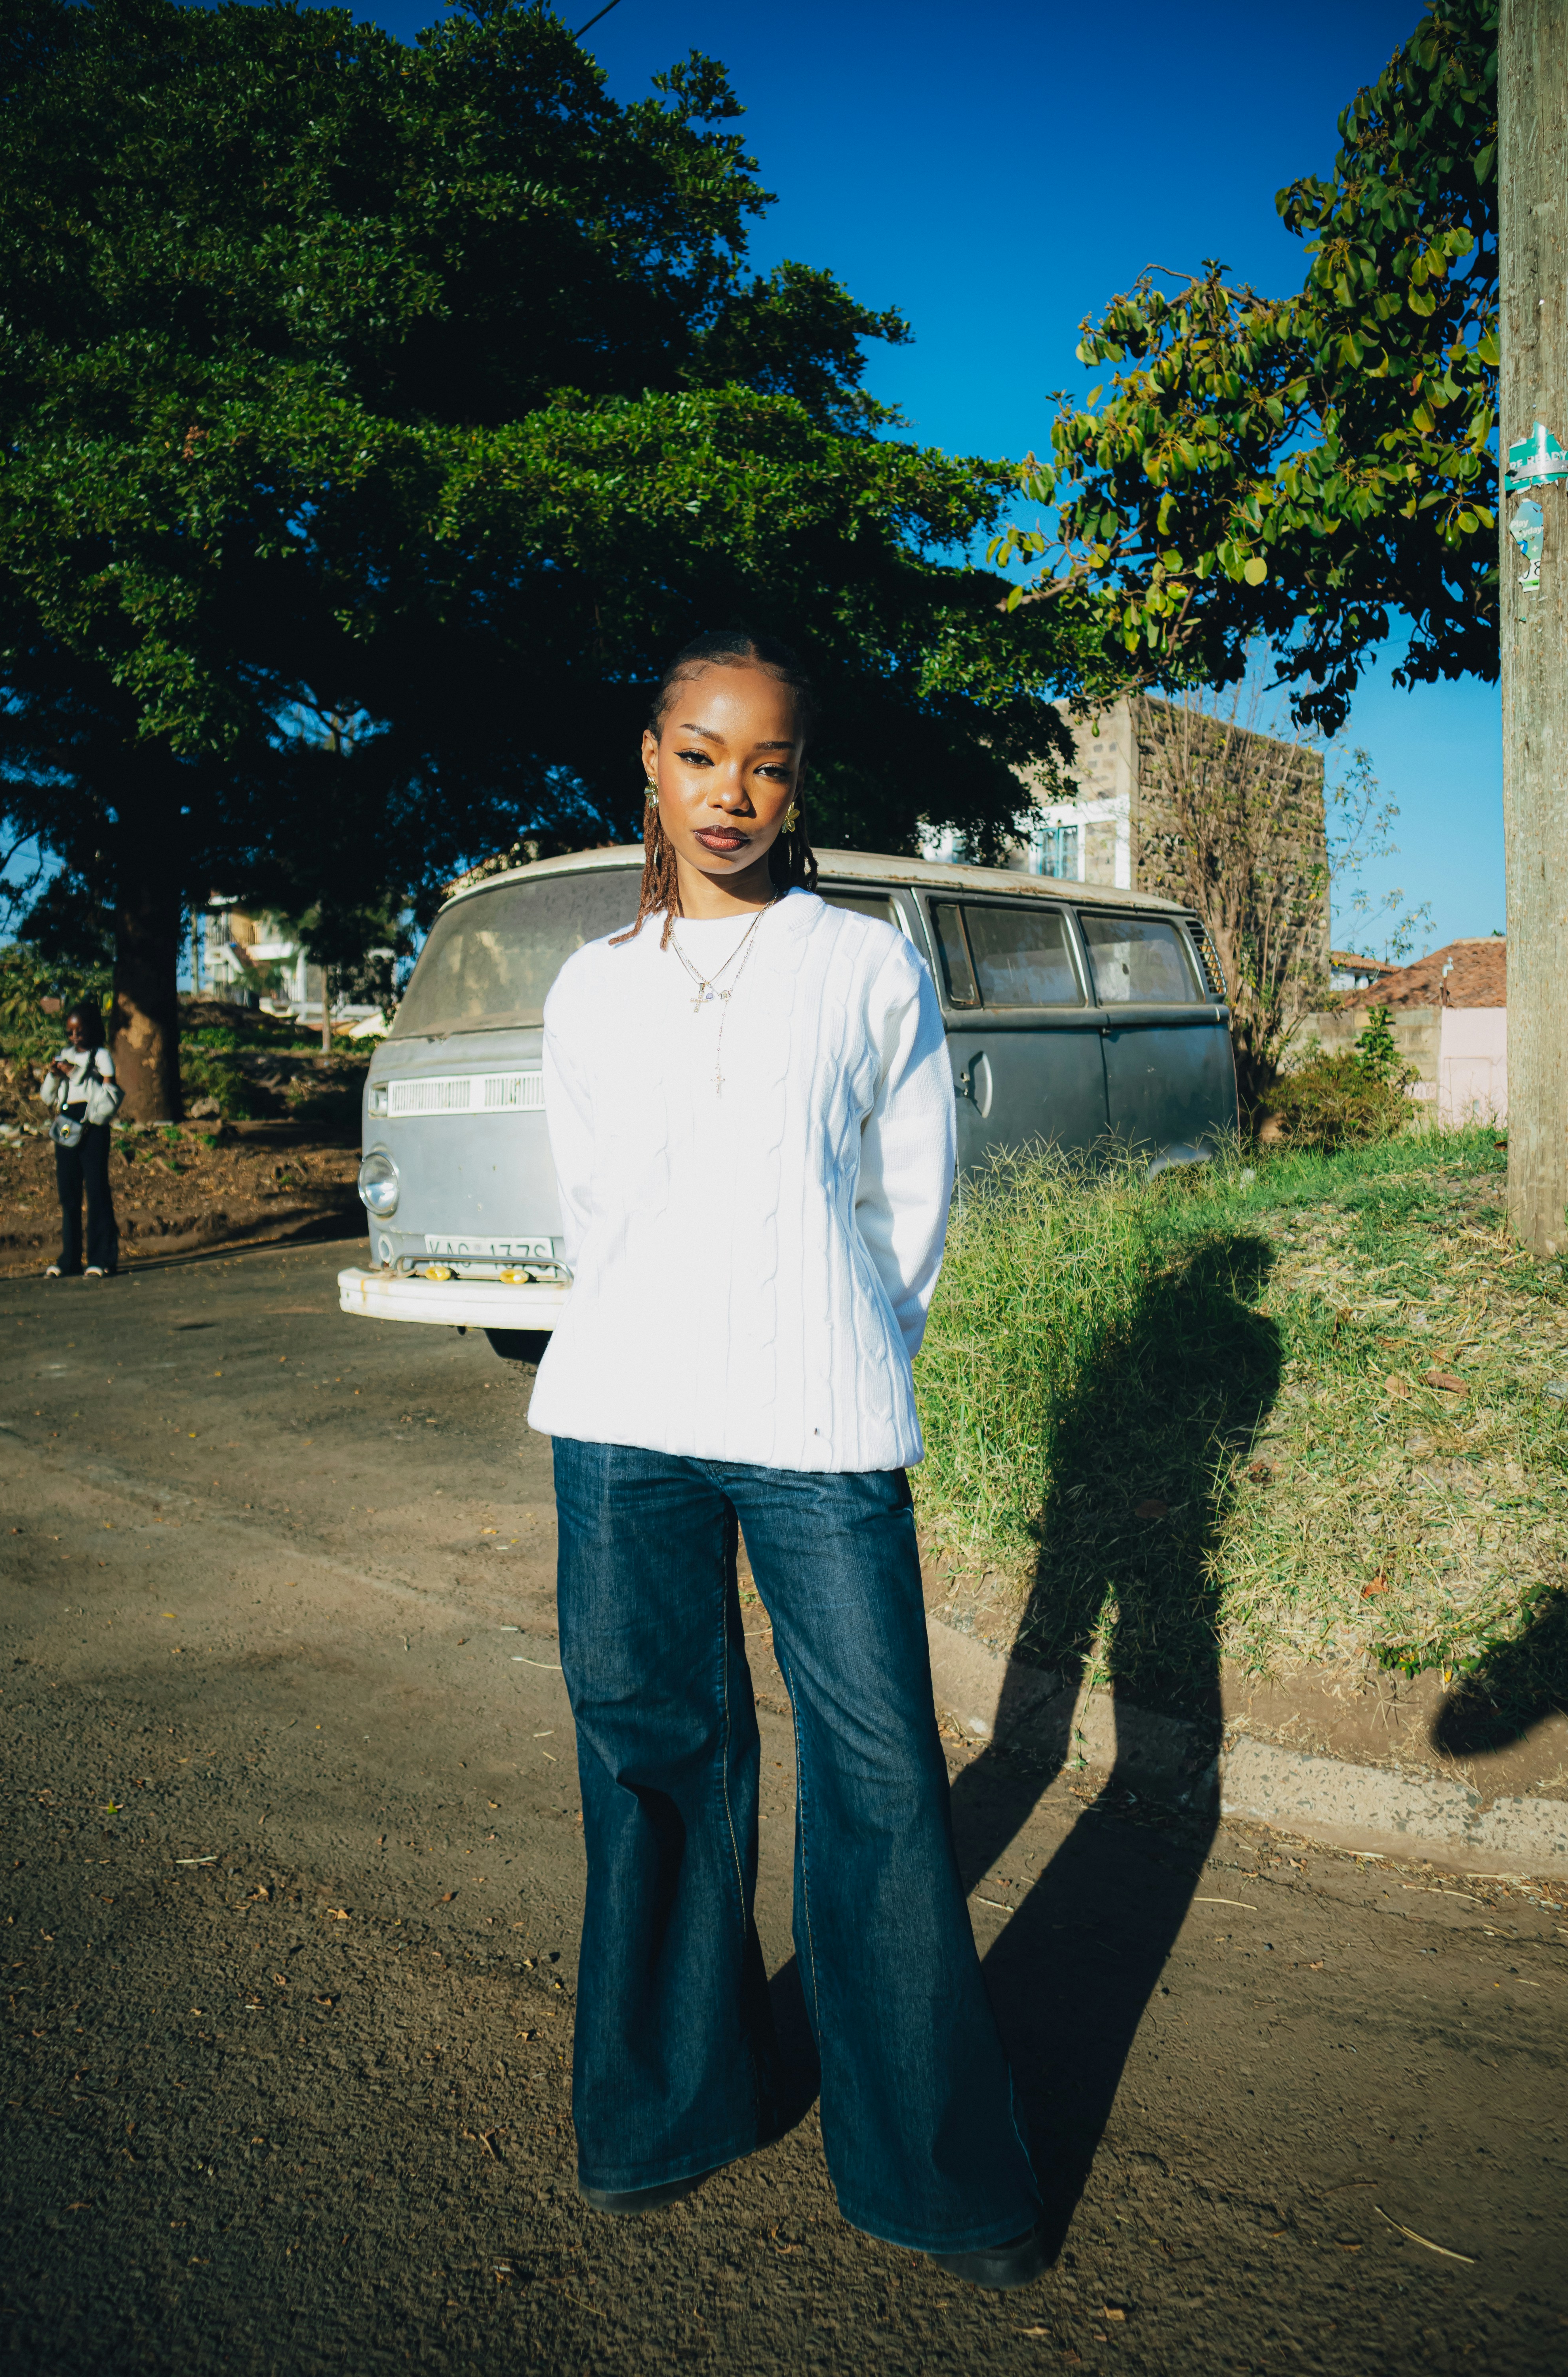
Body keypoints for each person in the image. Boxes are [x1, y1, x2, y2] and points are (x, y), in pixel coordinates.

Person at [525, 630, 1043, 2288]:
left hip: (818, 1420)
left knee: (882, 1778)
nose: (730, 792)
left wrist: (838, 1338)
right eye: (699, 753)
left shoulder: (863, 965)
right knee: (652, 1756)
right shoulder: (590, 983)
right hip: (621, 1422)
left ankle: (928, 2169)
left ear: (798, 783)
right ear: (650, 760)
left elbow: (908, 1203)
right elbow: (594, 1204)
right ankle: (666, 2105)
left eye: (765, 763)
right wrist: (669, 1324)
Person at [40, 1000, 120, 1278]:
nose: (75, 1037)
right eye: (70, 1032)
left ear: (92, 1030)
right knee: (68, 1192)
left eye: (80, 1032)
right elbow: (47, 1098)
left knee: (97, 1190)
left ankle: (101, 1258)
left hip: (93, 1125)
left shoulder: (101, 1056)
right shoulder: (65, 1054)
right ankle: (69, 1259)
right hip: (66, 1124)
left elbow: (108, 1099)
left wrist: (74, 1073)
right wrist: (53, 1075)